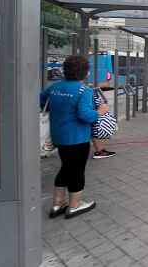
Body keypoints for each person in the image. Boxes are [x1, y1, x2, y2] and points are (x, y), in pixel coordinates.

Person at [40, 55, 109, 219]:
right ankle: (74, 206)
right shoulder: (83, 90)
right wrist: (101, 111)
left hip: (59, 137)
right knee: (77, 171)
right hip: (78, 138)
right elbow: (86, 116)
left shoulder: (54, 87)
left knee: (65, 167)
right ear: (85, 73)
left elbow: (42, 102)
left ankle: (57, 205)